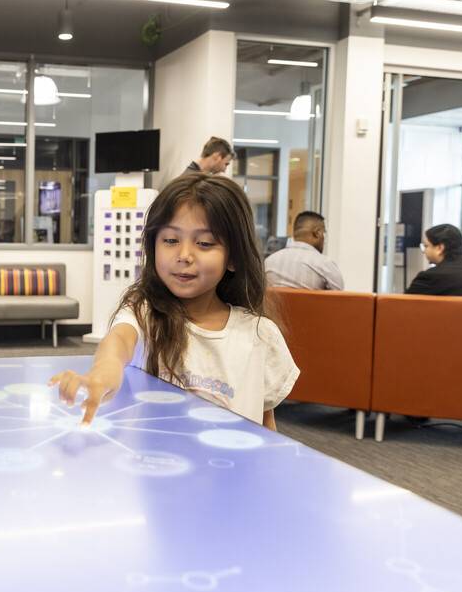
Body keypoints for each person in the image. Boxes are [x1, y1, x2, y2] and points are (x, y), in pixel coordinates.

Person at [50, 172, 299, 428]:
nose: (184, 255)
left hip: (231, 466)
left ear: (234, 257)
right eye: (170, 240)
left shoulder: (260, 334)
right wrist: (103, 373)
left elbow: (265, 417)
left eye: (204, 243)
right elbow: (119, 341)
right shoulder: (144, 312)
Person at [265, 211, 344, 291]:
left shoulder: (269, 262)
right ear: (317, 233)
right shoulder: (325, 264)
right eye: (323, 233)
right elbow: (339, 300)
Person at [406, 224, 462, 297]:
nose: (424, 251)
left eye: (426, 246)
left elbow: (402, 305)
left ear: (440, 248)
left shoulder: (430, 277)